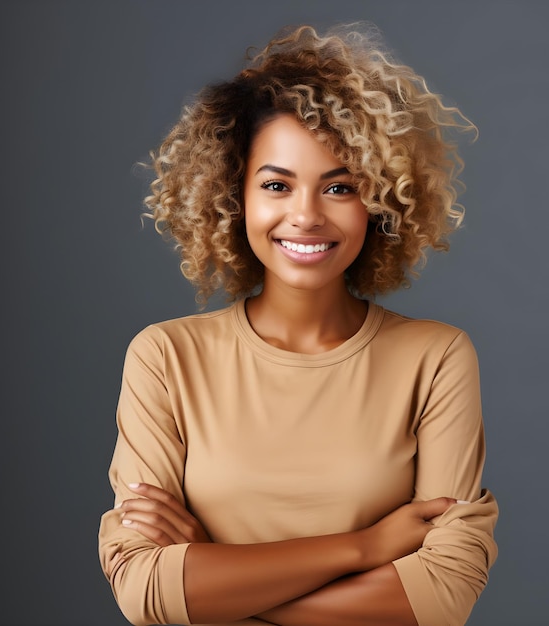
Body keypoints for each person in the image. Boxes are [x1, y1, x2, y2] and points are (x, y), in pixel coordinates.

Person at [98, 23, 498, 626]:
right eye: (277, 185)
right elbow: (143, 591)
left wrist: (212, 572)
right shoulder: (166, 357)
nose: (305, 215)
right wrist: (364, 548)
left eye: (340, 187)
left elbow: (442, 594)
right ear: (235, 196)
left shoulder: (434, 358)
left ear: (379, 201)